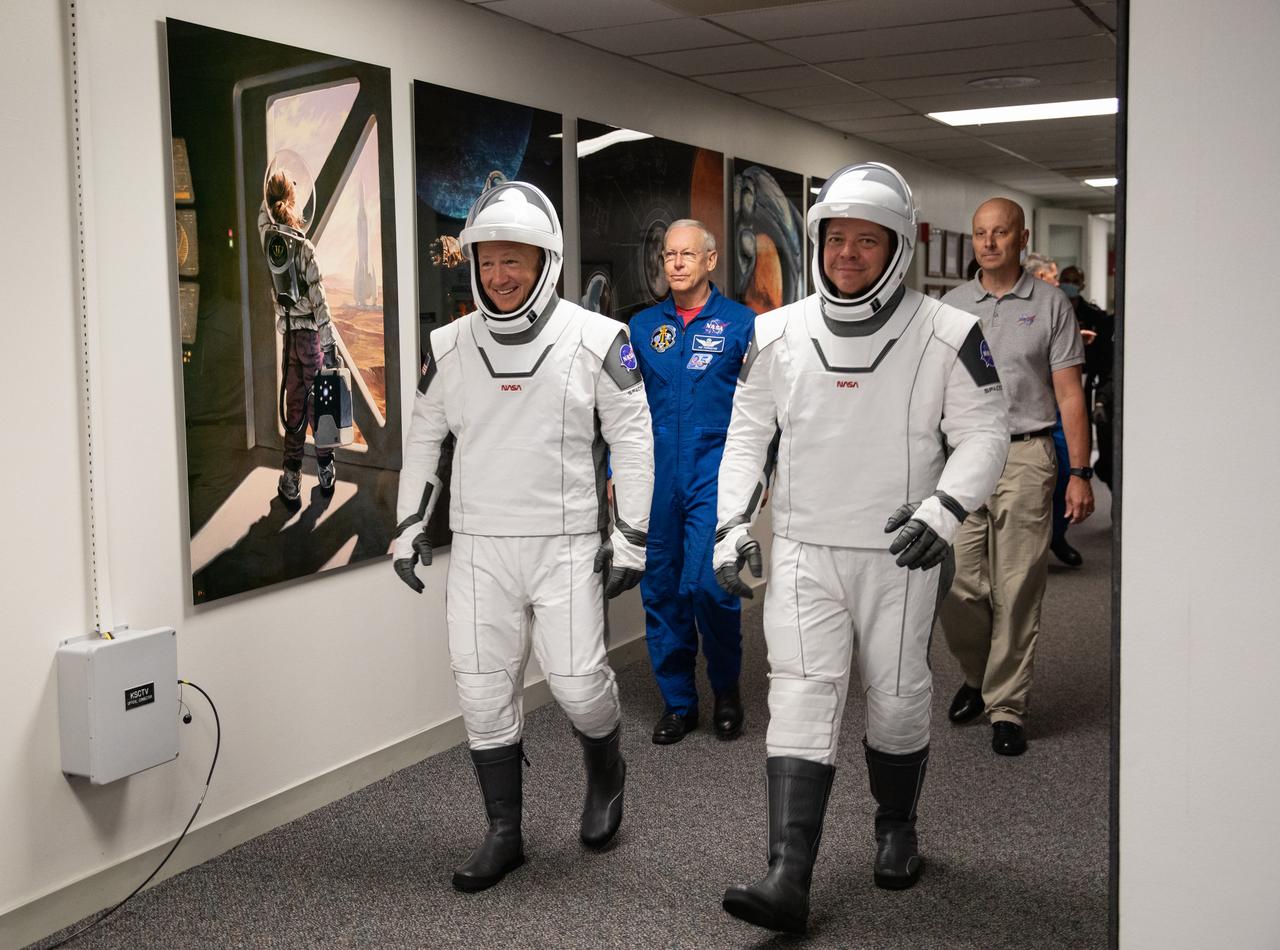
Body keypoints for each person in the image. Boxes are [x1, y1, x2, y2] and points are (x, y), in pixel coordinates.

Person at [713, 162, 1009, 933]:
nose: (847, 253)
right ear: (817, 242)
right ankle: (787, 874)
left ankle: (895, 826)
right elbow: (747, 439)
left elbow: (984, 436)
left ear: (897, 248)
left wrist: (944, 512)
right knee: (801, 698)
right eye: (836, 237)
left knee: (900, 699)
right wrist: (731, 527)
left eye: (866, 241)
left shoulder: (949, 332)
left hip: (901, 552)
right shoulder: (775, 332)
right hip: (808, 548)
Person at [391, 182, 654, 892]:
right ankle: (504, 832)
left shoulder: (599, 339)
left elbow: (633, 439)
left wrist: (630, 536)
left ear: (547, 261)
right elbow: (425, 437)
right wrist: (410, 523)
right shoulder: (449, 345)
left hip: (565, 543)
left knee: (576, 685)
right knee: (480, 692)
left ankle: (607, 772)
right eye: (488, 261)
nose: (500, 277)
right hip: (480, 545)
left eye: (516, 261)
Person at [939, 198, 1094, 757]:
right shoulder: (952, 305)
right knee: (957, 584)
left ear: (1020, 238)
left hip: (1027, 454)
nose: (989, 242)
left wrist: (1080, 472)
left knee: (1017, 586)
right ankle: (980, 677)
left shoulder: (1051, 304)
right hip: (961, 458)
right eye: (980, 233)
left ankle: (1006, 705)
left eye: (999, 232)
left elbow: (1070, 393)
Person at [627, 220, 759, 744]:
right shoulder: (639, 329)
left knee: (712, 586)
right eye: (668, 254)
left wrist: (757, 475)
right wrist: (620, 474)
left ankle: (726, 690)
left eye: (688, 254)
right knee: (661, 591)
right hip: (657, 479)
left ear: (710, 260)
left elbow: (762, 410)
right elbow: (623, 412)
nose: (676, 263)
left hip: (714, 474)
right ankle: (679, 702)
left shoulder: (744, 325)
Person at [258, 169, 338, 506]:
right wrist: (330, 344)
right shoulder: (304, 247)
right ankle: (324, 469)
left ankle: (290, 480)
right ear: (292, 199)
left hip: (288, 337)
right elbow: (319, 300)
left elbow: (264, 214)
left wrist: (274, 191)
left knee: (293, 407)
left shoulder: (269, 240)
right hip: (309, 339)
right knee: (320, 406)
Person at [1025, 252, 1082, 567]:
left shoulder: (1055, 307)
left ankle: (1056, 536)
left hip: (1056, 402)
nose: (1058, 282)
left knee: (1063, 471)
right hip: (1027, 409)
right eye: (1051, 276)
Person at [1059, 265, 1115, 487]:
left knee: (1082, 436)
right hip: (1055, 384)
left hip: (1085, 381)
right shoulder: (1049, 309)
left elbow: (1103, 359)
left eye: (1074, 281)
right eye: (1065, 279)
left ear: (1081, 285)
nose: (1069, 284)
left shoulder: (1095, 316)